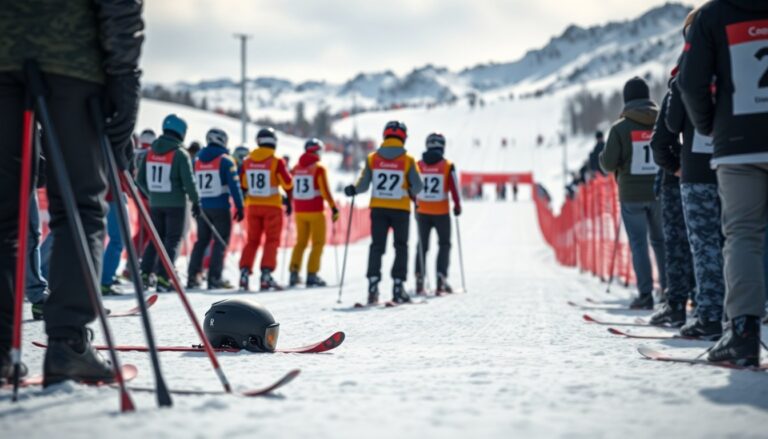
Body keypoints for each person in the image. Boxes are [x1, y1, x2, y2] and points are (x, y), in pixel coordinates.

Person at [0, 1, 144, 385]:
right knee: (80, 208)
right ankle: (68, 343)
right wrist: (124, 77)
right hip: (70, 60)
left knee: (4, 212)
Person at [678, 0, 768, 366]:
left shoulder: (713, 15)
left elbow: (689, 80)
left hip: (738, 145)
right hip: (735, 144)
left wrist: (708, 125)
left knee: (743, 235)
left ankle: (743, 335)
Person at [599, 77, 666, 310]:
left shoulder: (620, 128)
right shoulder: (663, 121)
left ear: (627, 100)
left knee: (639, 244)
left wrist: (604, 159)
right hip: (660, 191)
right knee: (661, 242)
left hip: (631, 195)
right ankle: (669, 293)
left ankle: (645, 294)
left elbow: (608, 164)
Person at [344, 121, 424, 304]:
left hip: (378, 209)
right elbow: (418, 186)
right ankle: (398, 286)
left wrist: (353, 190)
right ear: (403, 137)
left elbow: (363, 185)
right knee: (401, 246)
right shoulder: (408, 160)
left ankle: (373, 285)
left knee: (377, 247)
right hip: (401, 210)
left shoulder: (373, 158)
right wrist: (410, 189)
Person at [648, 82, 696, 330]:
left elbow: (659, 143)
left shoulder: (678, 91)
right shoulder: (724, 83)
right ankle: (707, 305)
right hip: (716, 173)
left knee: (677, 244)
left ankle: (676, 306)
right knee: (710, 243)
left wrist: (673, 168)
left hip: (677, 181)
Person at [136, 114, 200, 292]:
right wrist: (196, 201)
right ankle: (164, 278)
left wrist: (152, 195)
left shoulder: (150, 153)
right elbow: (189, 182)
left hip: (156, 204)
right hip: (176, 205)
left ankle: (144, 274)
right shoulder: (180, 154)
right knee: (171, 241)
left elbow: (139, 179)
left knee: (155, 240)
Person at [187, 128, 244, 290]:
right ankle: (214, 277)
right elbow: (235, 186)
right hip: (220, 207)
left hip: (202, 207)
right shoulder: (225, 160)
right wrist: (240, 206)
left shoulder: (196, 160)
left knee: (201, 241)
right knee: (220, 242)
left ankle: (193, 276)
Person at [238, 127, 293, 291]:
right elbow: (288, 183)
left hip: (253, 206)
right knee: (271, 240)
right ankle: (266, 275)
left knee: (252, 240)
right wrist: (288, 199)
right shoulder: (276, 161)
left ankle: (244, 273)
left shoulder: (247, 161)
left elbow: (243, 183)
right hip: (272, 208)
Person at [414, 133, 462, 295]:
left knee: (422, 245)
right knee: (444, 244)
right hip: (441, 211)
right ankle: (441, 277)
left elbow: (411, 185)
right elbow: (454, 187)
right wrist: (457, 205)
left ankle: (419, 277)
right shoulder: (447, 165)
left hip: (422, 211)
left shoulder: (418, 164)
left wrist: (414, 201)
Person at [288, 138, 340, 287]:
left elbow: (290, 187)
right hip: (316, 211)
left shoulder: (296, 168)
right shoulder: (318, 168)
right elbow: (325, 190)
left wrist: (288, 201)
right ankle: (312, 274)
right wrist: (333, 207)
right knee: (318, 243)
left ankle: (294, 272)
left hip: (299, 211)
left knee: (300, 243)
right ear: (317, 151)